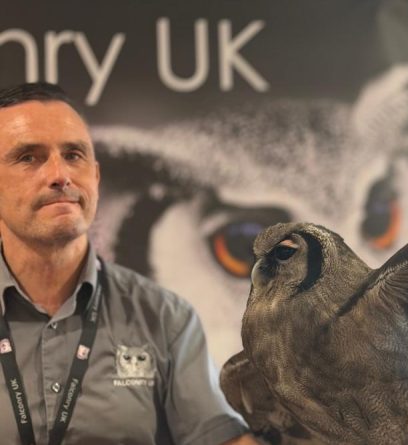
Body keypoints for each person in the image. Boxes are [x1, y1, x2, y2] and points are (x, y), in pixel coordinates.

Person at [0, 82, 260, 444]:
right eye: (29, 157)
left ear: (96, 177)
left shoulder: (164, 316)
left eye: (74, 155)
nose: (60, 174)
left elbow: (220, 436)